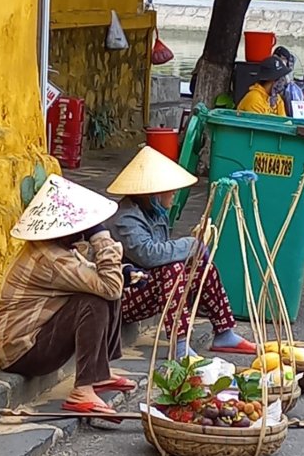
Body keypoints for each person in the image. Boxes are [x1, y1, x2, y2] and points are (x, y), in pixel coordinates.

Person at [0, 175, 139, 417]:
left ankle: (98, 372)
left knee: (108, 286)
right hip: (22, 351)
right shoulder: (50, 257)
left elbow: (98, 277)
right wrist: (101, 237)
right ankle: (83, 390)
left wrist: (125, 271)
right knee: (94, 300)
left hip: (33, 339)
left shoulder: (56, 248)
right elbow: (108, 287)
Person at [108, 147, 255, 356]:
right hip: (123, 296)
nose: (174, 193)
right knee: (173, 269)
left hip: (148, 288)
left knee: (204, 266)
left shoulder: (156, 213)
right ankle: (180, 344)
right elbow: (150, 255)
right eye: (170, 189)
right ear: (153, 192)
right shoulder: (126, 219)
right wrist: (192, 244)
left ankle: (224, 332)